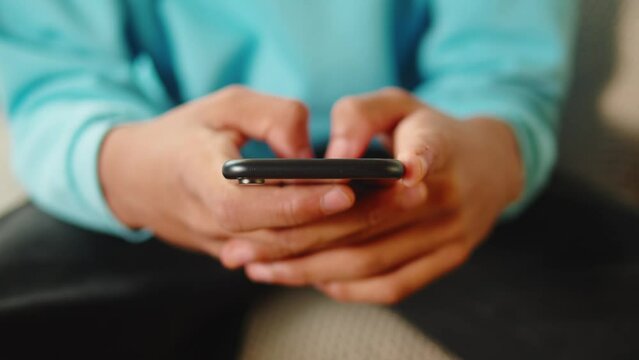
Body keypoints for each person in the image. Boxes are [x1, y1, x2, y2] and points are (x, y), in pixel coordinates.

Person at [0, 0, 589, 358]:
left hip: (427, 182)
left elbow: (503, 71)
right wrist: (126, 169)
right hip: (157, 186)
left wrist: (491, 157)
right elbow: (55, 84)